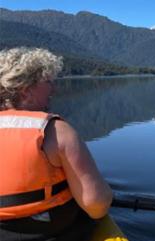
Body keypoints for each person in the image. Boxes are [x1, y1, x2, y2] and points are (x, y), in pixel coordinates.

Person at [0, 47, 113, 241]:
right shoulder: (55, 131)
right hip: (50, 231)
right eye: (48, 82)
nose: (55, 89)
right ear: (26, 90)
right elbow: (96, 206)